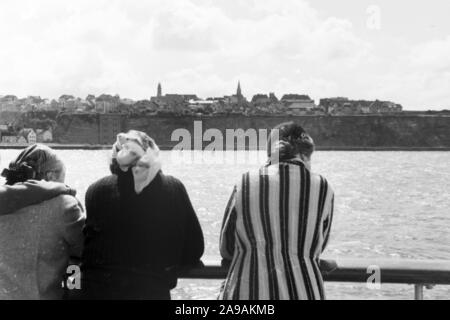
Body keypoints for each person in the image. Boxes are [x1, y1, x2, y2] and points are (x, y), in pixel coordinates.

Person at [77, 130, 204, 300]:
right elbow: (194, 249)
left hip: (95, 290)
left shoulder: (96, 189)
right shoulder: (172, 187)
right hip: (149, 289)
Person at [219, 122, 335, 300]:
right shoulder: (323, 187)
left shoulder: (246, 182)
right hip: (306, 292)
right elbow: (319, 246)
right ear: (306, 154)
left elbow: (226, 248)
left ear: (269, 152)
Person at [0, 144, 85, 300]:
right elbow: (81, 257)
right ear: (51, 176)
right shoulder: (64, 206)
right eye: (63, 177)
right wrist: (73, 290)